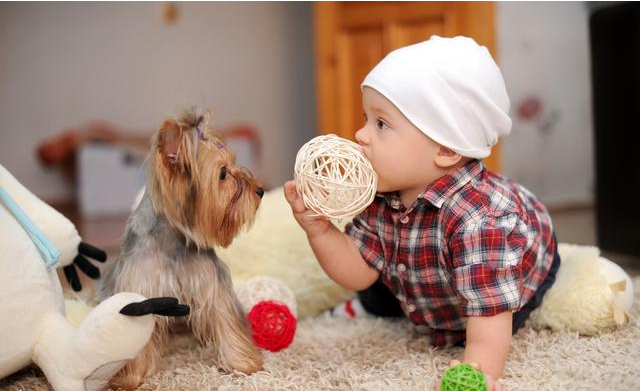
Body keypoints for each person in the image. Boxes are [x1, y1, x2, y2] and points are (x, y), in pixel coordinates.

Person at [284, 36, 559, 391]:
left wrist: (479, 371)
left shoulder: (480, 222)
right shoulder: (383, 194)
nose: (359, 134)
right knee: (379, 288)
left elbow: (490, 317)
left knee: (496, 315)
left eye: (381, 124)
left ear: (445, 149)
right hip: (425, 279)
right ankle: (382, 305)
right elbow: (359, 271)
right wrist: (319, 230)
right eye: (366, 118)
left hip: (510, 280)